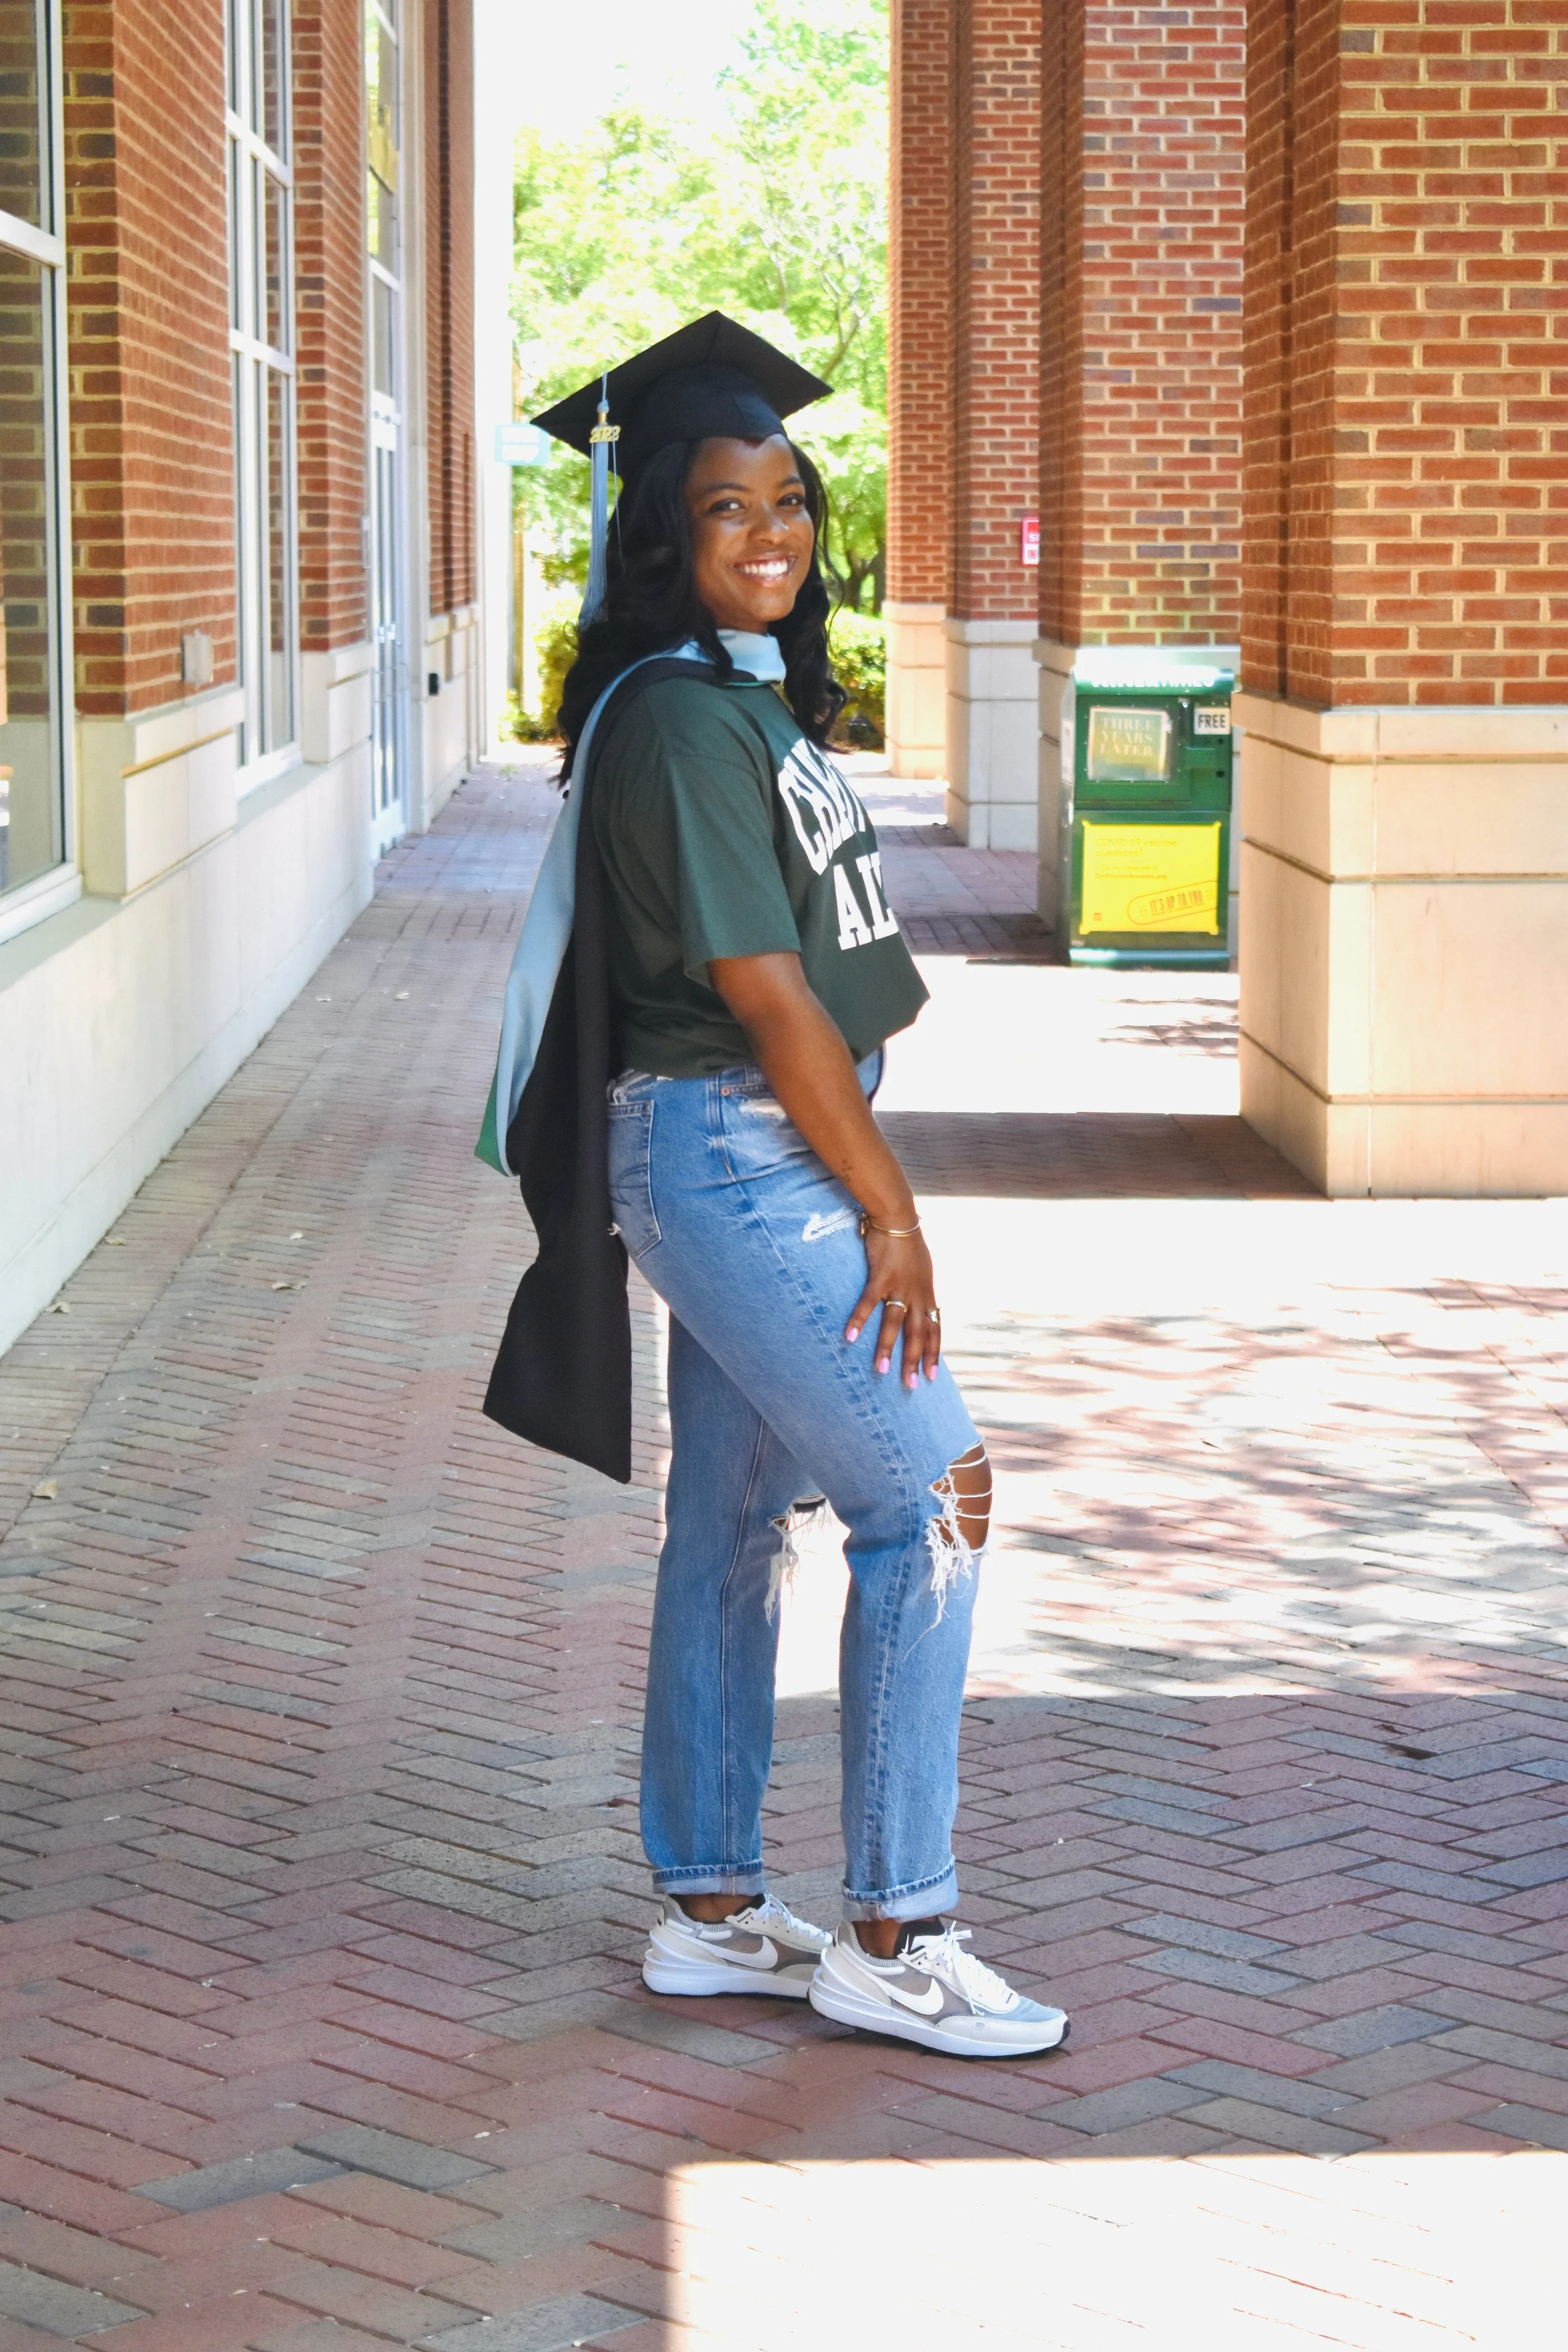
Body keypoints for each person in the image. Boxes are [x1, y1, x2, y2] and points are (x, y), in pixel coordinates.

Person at [501, 317, 1067, 2058]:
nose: (769, 534)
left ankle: (713, 1907)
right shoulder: (676, 717)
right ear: (660, 533)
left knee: (734, 1527)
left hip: (746, 1142)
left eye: (791, 502)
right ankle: (896, 1926)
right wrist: (889, 1210)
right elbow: (761, 990)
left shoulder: (741, 698)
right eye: (723, 505)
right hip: (744, 1154)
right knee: (935, 1496)